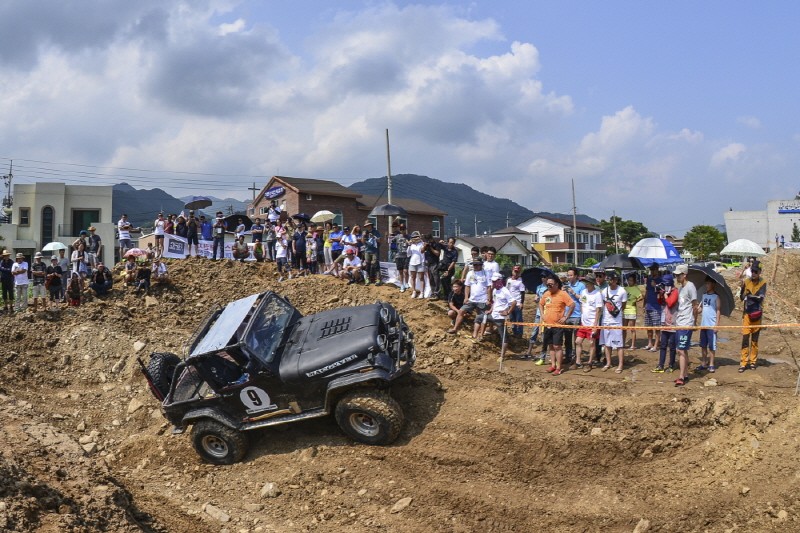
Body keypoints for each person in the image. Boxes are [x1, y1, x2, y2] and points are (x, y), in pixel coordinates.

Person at [539, 275, 575, 376]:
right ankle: (553, 365)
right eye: (547, 284)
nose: (549, 286)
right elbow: (540, 304)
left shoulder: (562, 294)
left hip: (558, 326)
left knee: (557, 346)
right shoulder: (546, 294)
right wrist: (542, 315)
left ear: (557, 284)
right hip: (547, 324)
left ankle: (559, 368)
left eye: (551, 284)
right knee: (550, 346)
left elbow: (572, 305)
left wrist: (566, 317)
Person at [448, 258, 490, 337]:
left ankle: (479, 334)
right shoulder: (470, 273)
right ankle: (455, 328)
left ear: (481, 265)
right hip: (472, 299)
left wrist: (488, 298)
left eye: (478, 264)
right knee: (461, 311)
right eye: (474, 264)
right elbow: (467, 286)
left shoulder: (486, 273)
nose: (476, 266)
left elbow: (489, 287)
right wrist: (466, 297)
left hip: (482, 299)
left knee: (481, 316)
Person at [739, 263, 766, 372]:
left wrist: (749, 295)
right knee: (745, 340)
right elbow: (741, 297)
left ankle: (753, 361)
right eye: (752, 271)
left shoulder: (763, 282)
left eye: (756, 271)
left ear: (760, 272)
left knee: (755, 340)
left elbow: (761, 297)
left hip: (757, 315)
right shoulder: (746, 282)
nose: (754, 273)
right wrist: (742, 289)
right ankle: (743, 362)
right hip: (747, 314)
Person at [600, 272, 627, 373]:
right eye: (608, 280)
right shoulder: (604, 291)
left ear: (616, 280)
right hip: (606, 321)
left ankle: (620, 364)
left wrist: (616, 314)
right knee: (607, 344)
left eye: (611, 280)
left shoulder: (622, 291)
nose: (609, 282)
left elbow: (623, 305)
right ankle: (608, 363)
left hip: (616, 321)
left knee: (619, 344)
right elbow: (604, 303)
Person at [652, 273, 679, 373]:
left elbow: (671, 303)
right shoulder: (665, 292)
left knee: (672, 346)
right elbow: (661, 303)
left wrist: (666, 295)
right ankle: (661, 365)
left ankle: (671, 365)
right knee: (663, 345)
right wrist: (660, 295)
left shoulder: (675, 291)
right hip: (664, 322)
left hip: (673, 323)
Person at [483, 272, 516, 350]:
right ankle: (481, 335)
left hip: (501, 317)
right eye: (493, 281)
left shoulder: (505, 291)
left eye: (495, 281)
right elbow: (495, 302)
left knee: (503, 336)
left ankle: (502, 355)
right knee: (480, 318)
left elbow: (514, 302)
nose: (493, 283)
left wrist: (508, 312)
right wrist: (490, 310)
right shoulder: (494, 290)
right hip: (493, 315)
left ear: (500, 281)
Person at [576, 276, 603, 371]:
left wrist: (595, 325)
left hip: (592, 323)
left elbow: (598, 310)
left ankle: (590, 363)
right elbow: (582, 303)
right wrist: (582, 316)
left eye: (588, 282)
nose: (586, 284)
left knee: (592, 343)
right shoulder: (583, 292)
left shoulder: (597, 294)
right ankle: (578, 362)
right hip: (583, 322)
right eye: (585, 282)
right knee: (578, 341)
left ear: (592, 283)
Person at [697, 276, 721, 373]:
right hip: (704, 324)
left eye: (708, 283)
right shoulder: (704, 296)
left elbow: (718, 310)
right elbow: (701, 309)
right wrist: (696, 310)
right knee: (703, 345)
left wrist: (716, 325)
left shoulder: (716, 297)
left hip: (711, 325)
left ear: (713, 284)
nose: (706, 285)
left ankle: (711, 363)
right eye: (706, 283)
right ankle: (704, 362)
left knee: (712, 346)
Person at [563, 267, 585, 362]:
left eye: (571, 275)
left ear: (576, 276)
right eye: (568, 275)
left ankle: (576, 357)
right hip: (567, 315)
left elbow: (584, 299)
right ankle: (568, 357)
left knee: (576, 339)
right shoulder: (566, 286)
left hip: (577, 315)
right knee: (567, 339)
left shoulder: (581, 286)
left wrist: (574, 293)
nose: (569, 277)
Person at [643, 265, 663, 352]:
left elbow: (662, 291)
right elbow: (647, 291)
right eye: (651, 270)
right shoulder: (649, 279)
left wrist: (656, 286)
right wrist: (644, 303)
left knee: (657, 327)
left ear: (657, 269)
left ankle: (656, 344)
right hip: (649, 305)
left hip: (656, 307)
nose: (652, 271)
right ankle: (650, 343)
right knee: (648, 326)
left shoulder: (660, 280)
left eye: (653, 269)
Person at [623, 272, 643, 350]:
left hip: (632, 310)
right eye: (629, 280)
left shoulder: (636, 289)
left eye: (631, 280)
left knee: (632, 328)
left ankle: (633, 345)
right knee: (624, 328)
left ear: (634, 281)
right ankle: (623, 343)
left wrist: (635, 301)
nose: (629, 282)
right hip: (625, 310)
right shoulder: (625, 288)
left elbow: (641, 297)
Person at [505, 265, 526, 338]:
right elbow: (506, 290)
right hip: (510, 303)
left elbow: (522, 293)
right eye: (515, 271)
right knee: (512, 318)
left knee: (519, 319)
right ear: (512, 271)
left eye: (517, 272)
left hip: (517, 303)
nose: (516, 273)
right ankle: (515, 332)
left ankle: (520, 333)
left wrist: (521, 303)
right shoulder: (508, 280)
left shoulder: (520, 281)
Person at [361, 221, 382, 286]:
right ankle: (367, 279)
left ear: (371, 225)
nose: (368, 227)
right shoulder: (365, 232)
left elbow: (380, 240)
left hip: (374, 250)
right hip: (367, 250)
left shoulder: (376, 232)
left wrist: (374, 237)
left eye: (369, 225)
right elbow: (363, 242)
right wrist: (363, 236)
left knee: (375, 264)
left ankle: (378, 279)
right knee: (367, 265)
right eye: (366, 226)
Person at [407, 231, 427, 298]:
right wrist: (409, 245)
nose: (415, 238)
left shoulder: (422, 243)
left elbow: (422, 251)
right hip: (412, 262)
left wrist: (423, 245)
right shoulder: (411, 245)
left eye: (416, 237)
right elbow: (408, 254)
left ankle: (422, 292)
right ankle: (414, 291)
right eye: (413, 237)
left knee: (421, 278)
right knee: (413, 277)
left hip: (420, 262)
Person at [393, 225, 410, 292]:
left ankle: (406, 283)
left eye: (403, 229)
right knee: (400, 271)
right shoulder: (397, 236)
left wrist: (408, 242)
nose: (402, 230)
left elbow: (412, 243)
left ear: (406, 229)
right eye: (401, 229)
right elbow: (390, 241)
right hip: (398, 255)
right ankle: (401, 284)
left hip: (406, 255)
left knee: (405, 271)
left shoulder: (408, 236)